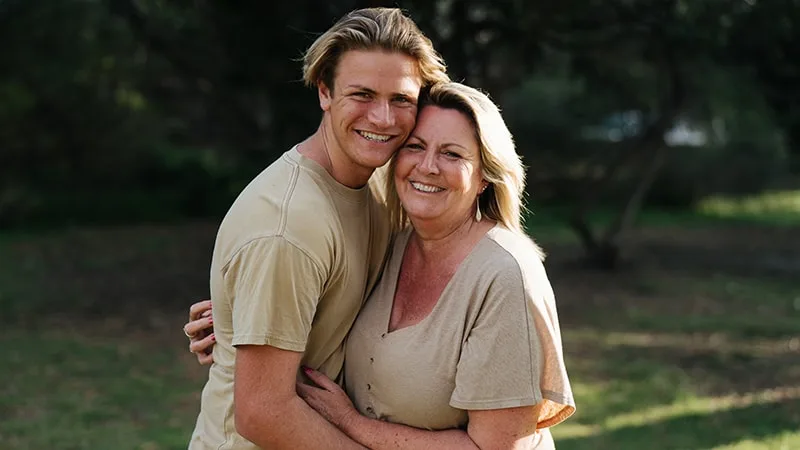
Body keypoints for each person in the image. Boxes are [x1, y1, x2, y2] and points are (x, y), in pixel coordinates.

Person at [186, 82, 576, 448]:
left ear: (485, 177)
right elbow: (324, 302)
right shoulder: (391, 238)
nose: (427, 166)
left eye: (452, 154)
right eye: (415, 146)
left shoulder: (505, 276)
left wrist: (354, 425)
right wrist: (246, 320)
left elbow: (496, 447)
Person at [185, 7, 449, 450]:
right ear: (324, 91)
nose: (383, 118)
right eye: (362, 94)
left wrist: (241, 315)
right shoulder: (285, 227)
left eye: (401, 99)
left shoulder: (386, 182)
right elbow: (263, 413)